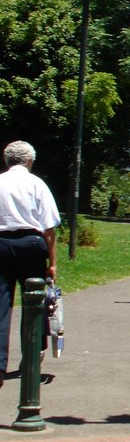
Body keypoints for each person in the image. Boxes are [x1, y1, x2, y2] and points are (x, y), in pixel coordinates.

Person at [0, 142, 60, 388]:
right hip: (31, 244)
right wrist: (53, 263)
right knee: (33, 303)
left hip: (1, 243)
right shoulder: (37, 184)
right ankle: (31, 358)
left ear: (7, 161)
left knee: (1, 304)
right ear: (30, 161)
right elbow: (49, 226)